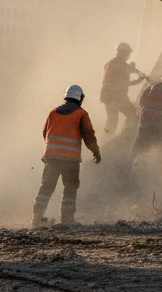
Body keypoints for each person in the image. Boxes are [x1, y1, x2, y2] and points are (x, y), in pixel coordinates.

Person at [33, 84, 102, 228]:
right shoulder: (81, 114)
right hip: (70, 159)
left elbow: (45, 133)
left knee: (46, 187)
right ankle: (67, 219)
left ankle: (36, 219)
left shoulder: (53, 112)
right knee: (70, 188)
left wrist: (51, 150)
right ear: (80, 98)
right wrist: (96, 151)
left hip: (51, 157)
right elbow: (88, 135)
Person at [100, 42, 146, 134]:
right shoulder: (114, 64)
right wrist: (139, 79)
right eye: (127, 53)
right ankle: (107, 141)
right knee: (113, 120)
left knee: (131, 113)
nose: (128, 55)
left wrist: (139, 73)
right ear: (121, 52)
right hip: (112, 97)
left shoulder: (121, 64)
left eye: (129, 53)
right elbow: (120, 83)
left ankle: (128, 133)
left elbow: (130, 72)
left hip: (119, 96)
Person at [132, 69, 162, 159]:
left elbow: (141, 101)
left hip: (144, 120)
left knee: (138, 144)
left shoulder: (151, 87)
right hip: (160, 122)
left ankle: (128, 165)